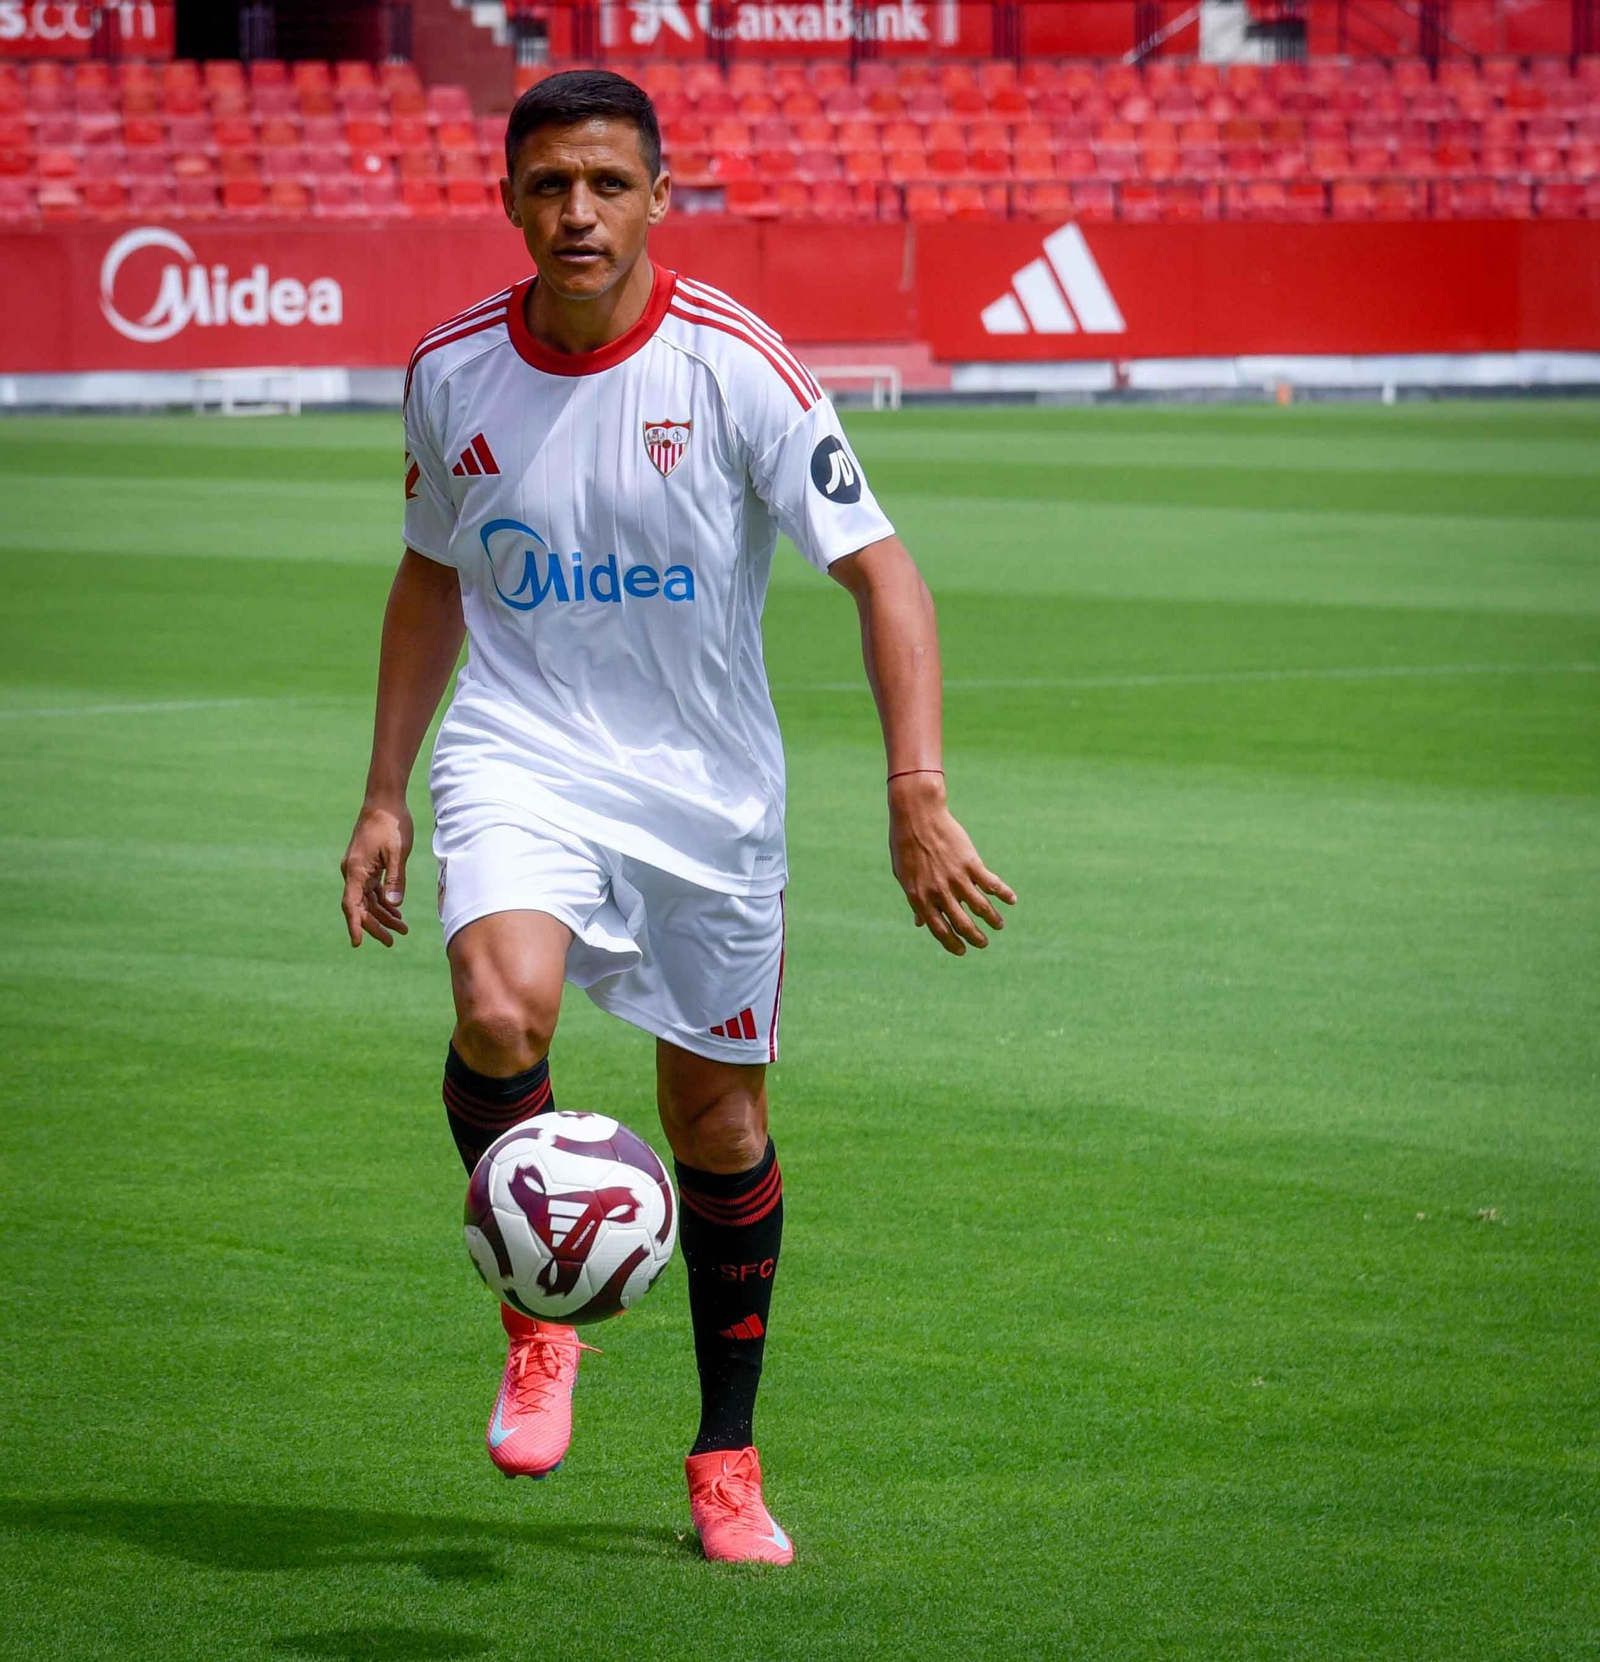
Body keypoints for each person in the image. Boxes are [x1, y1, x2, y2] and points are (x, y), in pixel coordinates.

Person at [339, 69, 1014, 1567]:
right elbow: (429, 575)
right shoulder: (450, 369)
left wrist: (915, 790)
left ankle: (726, 1456)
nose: (577, 212)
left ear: (658, 194)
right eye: (548, 185)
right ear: (509, 201)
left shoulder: (736, 365)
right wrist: (385, 791)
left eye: (606, 183)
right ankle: (541, 1309)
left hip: (711, 794)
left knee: (719, 1123)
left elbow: (885, 573)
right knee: (498, 1008)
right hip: (520, 749)